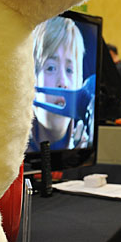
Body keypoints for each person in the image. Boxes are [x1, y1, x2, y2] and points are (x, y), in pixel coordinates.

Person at [27, 16, 91, 151]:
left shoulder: (86, 144)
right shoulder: (11, 150)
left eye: (69, 70)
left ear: (80, 82)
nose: (62, 83)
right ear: (30, 78)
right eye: (51, 68)